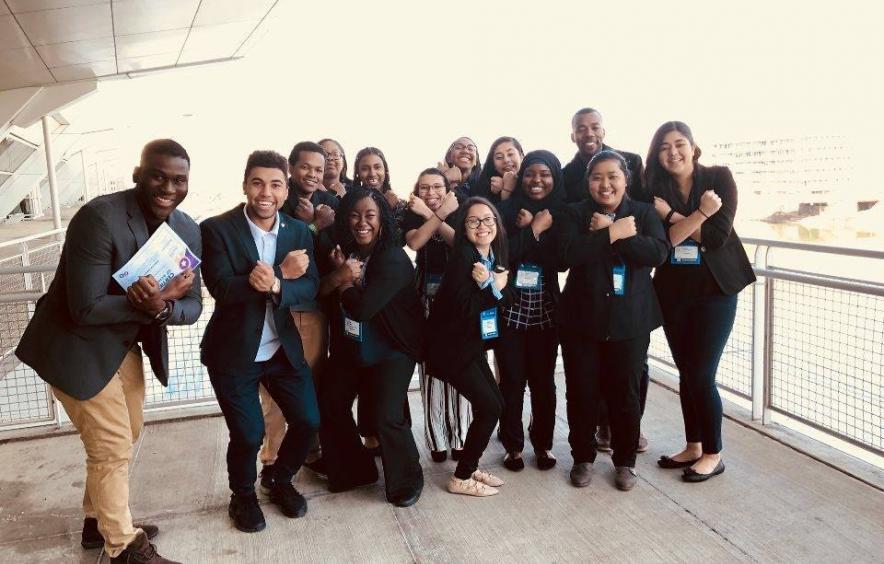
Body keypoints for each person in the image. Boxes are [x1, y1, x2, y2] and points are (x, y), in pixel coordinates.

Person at [15, 139, 202, 564]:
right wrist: (150, 303)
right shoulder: (99, 218)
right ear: (138, 174)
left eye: (179, 180)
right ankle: (122, 546)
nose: (168, 187)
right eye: (158, 175)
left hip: (123, 342)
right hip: (72, 344)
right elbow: (84, 306)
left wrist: (164, 307)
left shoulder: (187, 229)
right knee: (112, 445)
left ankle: (96, 519)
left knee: (130, 430)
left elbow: (194, 306)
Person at [200, 150, 320, 532]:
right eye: (257, 183)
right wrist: (279, 274)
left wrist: (280, 283)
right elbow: (221, 287)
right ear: (245, 186)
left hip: (281, 348)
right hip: (234, 352)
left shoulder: (298, 231)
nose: (265, 192)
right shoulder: (217, 228)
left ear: (286, 191)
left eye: (274, 184)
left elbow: (311, 286)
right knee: (249, 434)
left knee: (307, 420)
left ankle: (279, 480)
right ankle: (243, 496)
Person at [647, 121, 755, 482]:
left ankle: (713, 453)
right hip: (675, 292)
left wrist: (680, 217)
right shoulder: (654, 191)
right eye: (664, 147)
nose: (673, 152)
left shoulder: (719, 178)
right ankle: (693, 445)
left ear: (694, 147)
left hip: (716, 291)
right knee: (686, 372)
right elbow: (668, 242)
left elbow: (716, 236)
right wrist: (693, 218)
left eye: (680, 144)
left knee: (702, 373)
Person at [557, 150, 669, 491]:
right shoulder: (573, 213)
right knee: (581, 392)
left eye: (612, 177)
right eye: (597, 177)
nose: (605, 184)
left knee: (626, 394)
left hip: (630, 321)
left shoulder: (643, 212)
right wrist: (607, 234)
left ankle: (625, 462)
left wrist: (621, 233)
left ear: (625, 180)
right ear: (588, 181)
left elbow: (657, 254)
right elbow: (564, 256)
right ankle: (582, 458)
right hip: (582, 320)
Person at [317, 187, 425, 507]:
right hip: (357, 345)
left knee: (386, 415)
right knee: (331, 402)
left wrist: (346, 281)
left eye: (370, 215)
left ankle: (407, 477)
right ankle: (355, 470)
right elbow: (324, 294)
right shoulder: (346, 251)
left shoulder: (392, 257)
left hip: (394, 347)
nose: (361, 222)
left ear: (382, 221)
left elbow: (362, 308)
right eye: (354, 215)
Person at [563, 108, 652, 451]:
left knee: (630, 375)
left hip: (629, 293)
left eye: (594, 126)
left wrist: (619, 232)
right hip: (588, 287)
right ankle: (591, 440)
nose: (588, 132)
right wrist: (608, 233)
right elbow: (568, 250)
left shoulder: (630, 162)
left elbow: (652, 244)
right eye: (581, 128)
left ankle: (624, 433)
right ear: (573, 134)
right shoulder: (567, 173)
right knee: (585, 381)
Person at [258, 141, 336, 485]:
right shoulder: (277, 204)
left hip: (315, 310)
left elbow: (320, 265)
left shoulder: (327, 202)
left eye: (319, 169)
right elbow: (277, 257)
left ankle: (309, 451)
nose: (312, 174)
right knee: (276, 389)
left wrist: (321, 226)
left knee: (311, 385)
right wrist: (315, 227)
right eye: (306, 167)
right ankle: (272, 460)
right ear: (291, 169)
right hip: (281, 311)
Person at [426, 196, 513, 497]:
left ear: (497, 224)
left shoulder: (492, 256)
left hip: (470, 346)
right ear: (463, 228)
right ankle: (461, 477)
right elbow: (465, 308)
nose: (482, 226)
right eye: (473, 221)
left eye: (488, 219)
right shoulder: (463, 260)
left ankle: (470, 464)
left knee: (494, 404)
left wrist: (493, 284)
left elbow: (504, 296)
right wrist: (492, 287)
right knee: (490, 407)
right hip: (452, 350)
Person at [495, 150, 566, 472]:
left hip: (546, 313)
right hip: (511, 311)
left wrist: (538, 230)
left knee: (543, 383)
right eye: (530, 174)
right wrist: (533, 230)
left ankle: (543, 444)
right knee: (511, 381)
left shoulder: (561, 213)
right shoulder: (506, 211)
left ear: (555, 177)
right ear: (521, 178)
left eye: (545, 174)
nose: (537, 181)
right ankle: (512, 447)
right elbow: (503, 256)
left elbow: (560, 261)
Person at [402, 168, 465, 462]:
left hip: (457, 298)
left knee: (461, 366)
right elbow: (415, 243)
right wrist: (432, 213)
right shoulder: (412, 214)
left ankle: (460, 437)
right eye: (424, 188)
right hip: (424, 298)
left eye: (437, 187)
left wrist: (434, 213)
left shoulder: (462, 210)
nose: (431, 193)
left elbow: (462, 245)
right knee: (430, 371)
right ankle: (437, 440)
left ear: (448, 188)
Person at [563, 108, 648, 204]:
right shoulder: (565, 176)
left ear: (603, 132)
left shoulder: (632, 162)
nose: (589, 134)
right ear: (573, 137)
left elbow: (644, 204)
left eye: (595, 128)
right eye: (581, 129)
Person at [470, 136, 525, 204]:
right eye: (499, 157)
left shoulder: (533, 180)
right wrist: (506, 190)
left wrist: (507, 188)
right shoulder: (486, 187)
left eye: (510, 154)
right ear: (493, 164)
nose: (506, 160)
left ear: (521, 156)